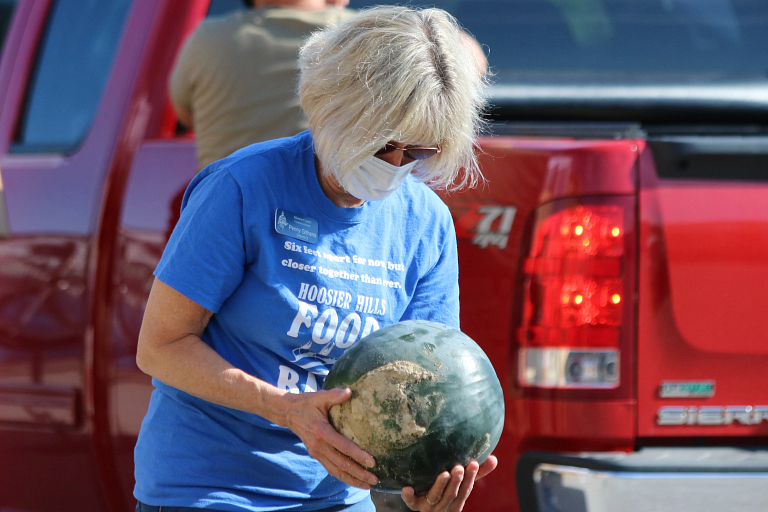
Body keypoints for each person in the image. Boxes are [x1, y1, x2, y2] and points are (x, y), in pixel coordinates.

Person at [134, 6, 495, 512]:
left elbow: (428, 381)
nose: (395, 166)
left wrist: (424, 492)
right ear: (335, 114)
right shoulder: (242, 188)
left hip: (337, 497)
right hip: (213, 489)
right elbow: (160, 347)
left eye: (416, 152)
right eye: (384, 144)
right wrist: (286, 410)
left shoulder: (425, 223)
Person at [169, 0, 354, 170]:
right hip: (329, 203)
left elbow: (185, 117)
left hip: (226, 201)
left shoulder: (207, 40)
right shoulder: (362, 35)